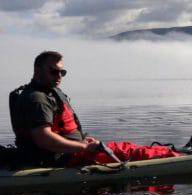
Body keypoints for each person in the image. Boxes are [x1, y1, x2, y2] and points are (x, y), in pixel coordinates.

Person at [10, 51, 182, 167]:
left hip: (72, 151)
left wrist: (84, 141)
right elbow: (44, 140)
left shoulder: (47, 92)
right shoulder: (37, 99)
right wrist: (83, 148)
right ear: (37, 70)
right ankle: (180, 159)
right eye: (53, 72)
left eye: (62, 73)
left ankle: (173, 153)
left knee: (126, 147)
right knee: (129, 152)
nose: (58, 77)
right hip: (64, 158)